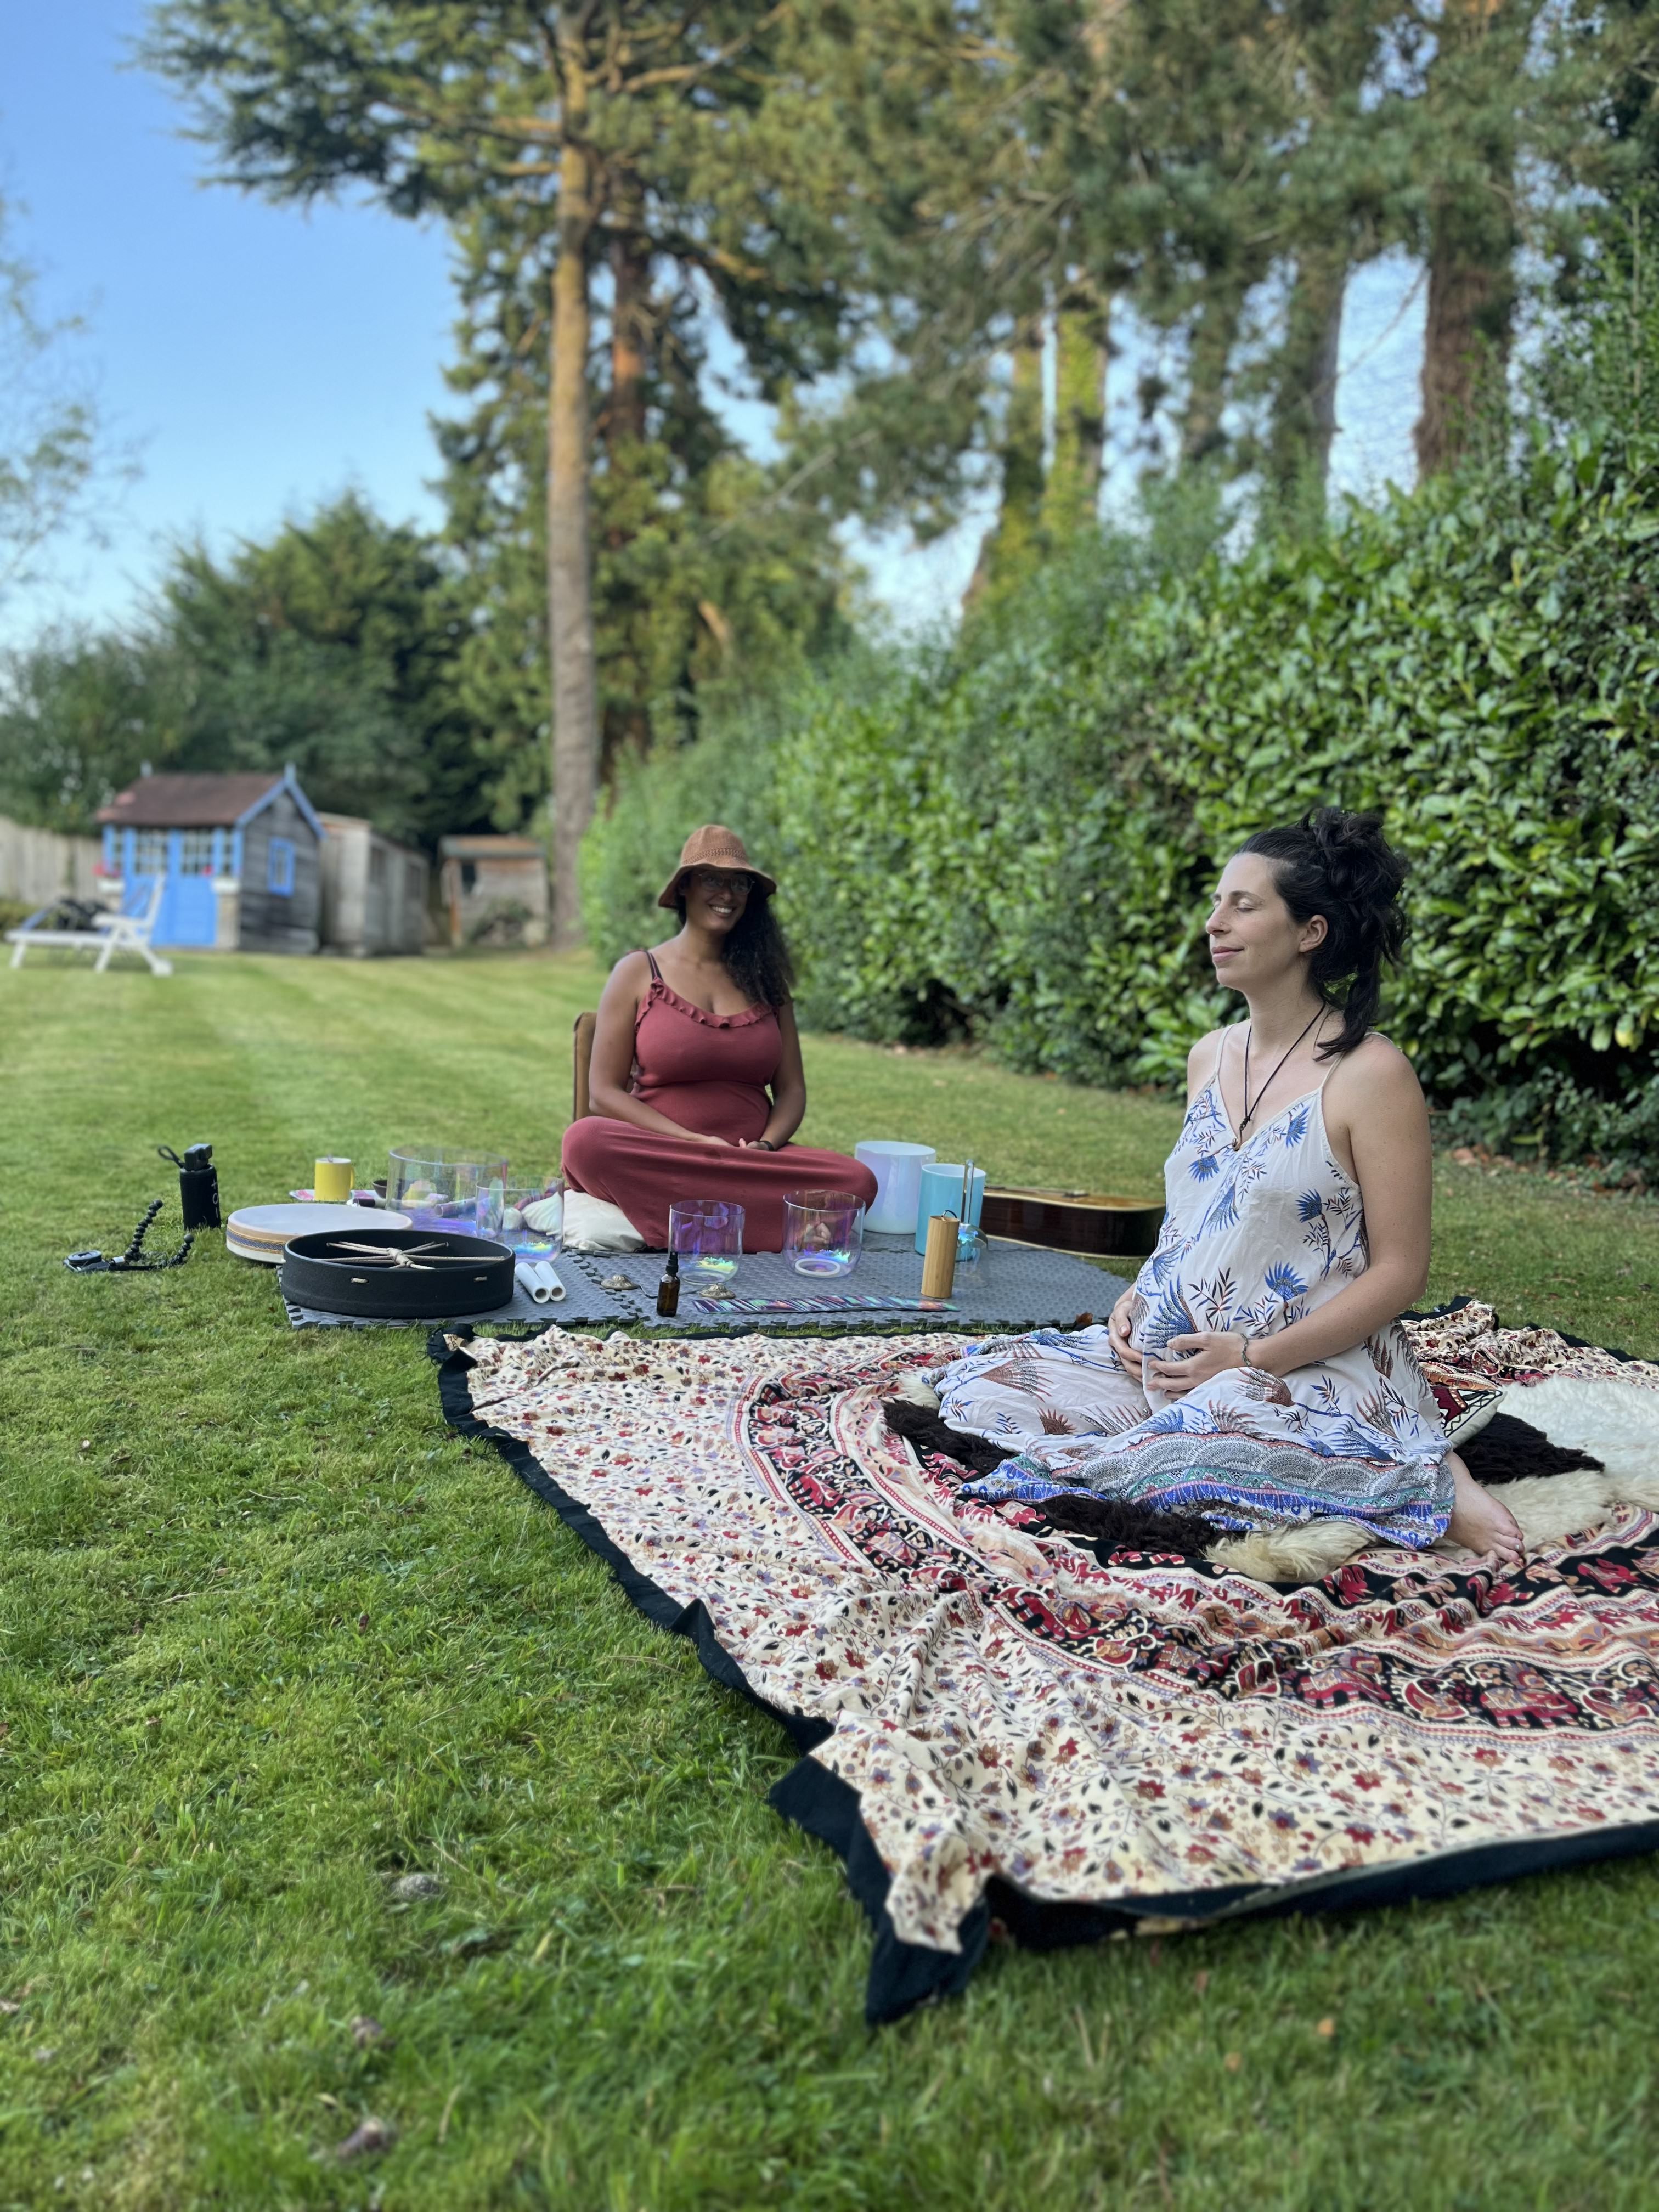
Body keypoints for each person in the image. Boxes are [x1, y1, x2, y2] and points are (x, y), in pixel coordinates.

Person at [933, 808, 1524, 1566]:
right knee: (987, 1390)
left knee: (1183, 1458)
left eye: (1244, 906)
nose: (1215, 923)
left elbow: (1402, 1272)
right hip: (1176, 1357)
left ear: (1310, 932)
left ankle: (1423, 1479)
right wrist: (1139, 1297)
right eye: (1218, 903)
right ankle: (1216, 1436)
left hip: (1304, 1366)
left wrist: (1252, 1357)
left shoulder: (1371, 1074)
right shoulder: (1209, 1056)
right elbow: (1201, 1218)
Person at [561, 825, 878, 1250]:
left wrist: (766, 1146)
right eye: (713, 879)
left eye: (740, 884)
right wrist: (695, 1142)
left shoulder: (767, 981)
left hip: (751, 1163)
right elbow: (602, 1094)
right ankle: (769, 1227)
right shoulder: (638, 971)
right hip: (667, 1155)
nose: (727, 894)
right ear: (685, 887)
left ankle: (694, 1224)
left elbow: (792, 1091)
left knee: (856, 1180)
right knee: (584, 1143)